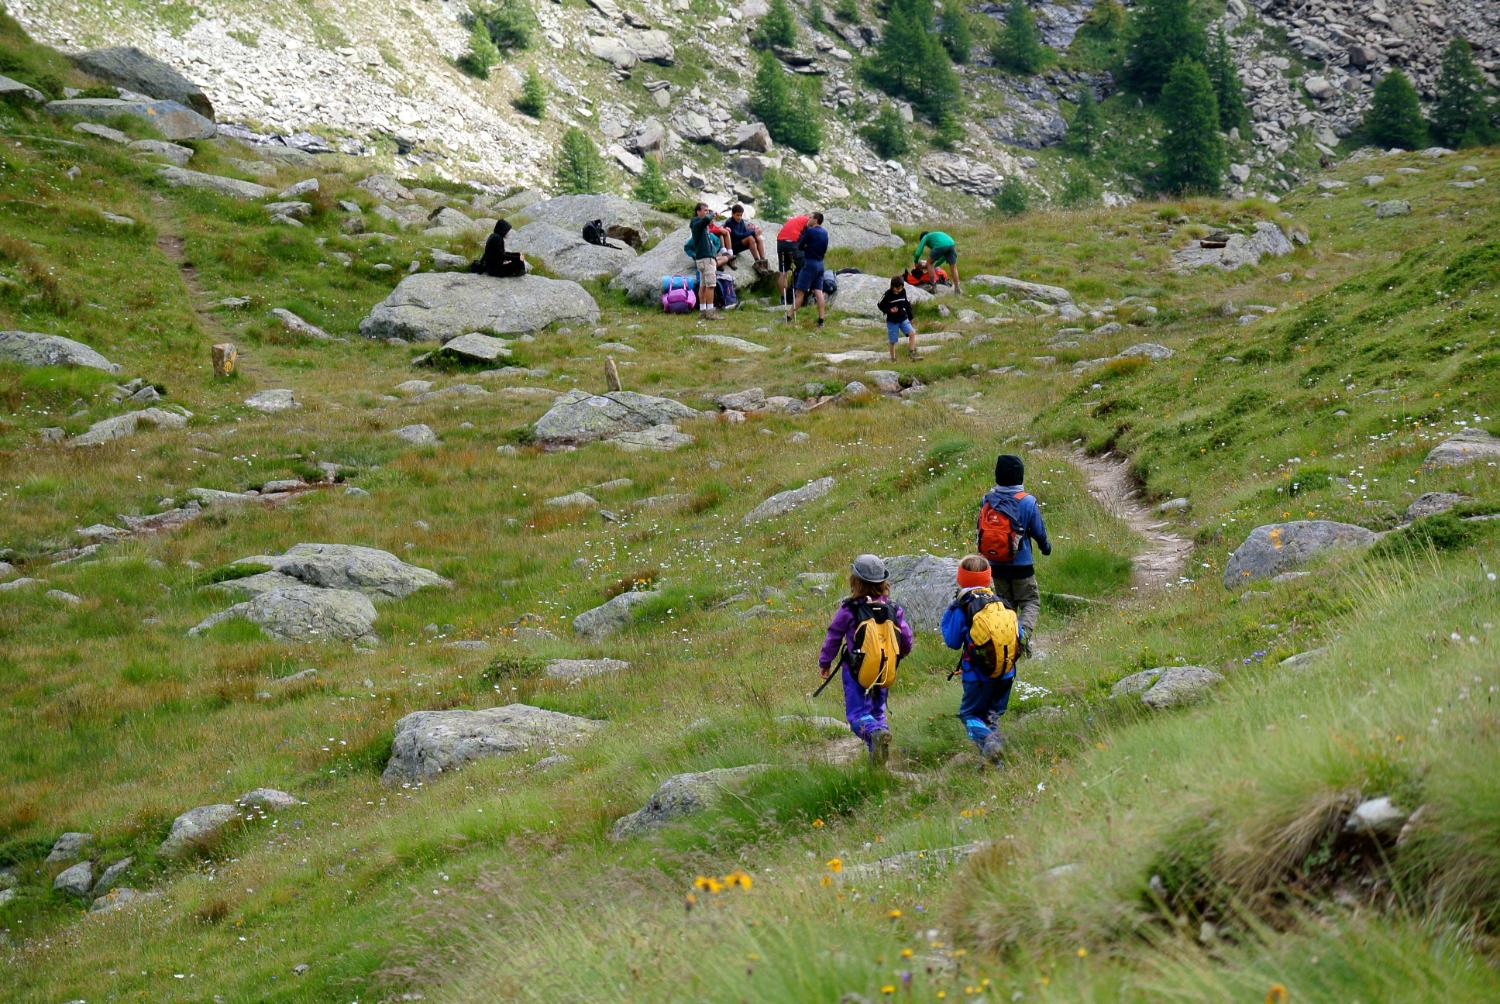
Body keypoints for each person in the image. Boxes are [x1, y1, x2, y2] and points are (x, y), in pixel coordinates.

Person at [818, 554, 914, 767]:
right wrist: (902, 654)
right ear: (883, 582)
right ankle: (877, 755)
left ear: (855, 581)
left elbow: (834, 636)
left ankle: (875, 736)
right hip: (885, 669)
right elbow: (906, 637)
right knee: (877, 712)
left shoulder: (849, 609)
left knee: (857, 716)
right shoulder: (893, 608)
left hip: (856, 673)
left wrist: (825, 662)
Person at [941, 555, 1024, 764]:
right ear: (988, 579)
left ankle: (989, 742)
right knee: (992, 717)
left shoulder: (963, 606)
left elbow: (952, 641)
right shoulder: (1002, 604)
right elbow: (1019, 635)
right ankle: (997, 765)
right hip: (1007, 672)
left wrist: (950, 610)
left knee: (969, 715)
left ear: (961, 579)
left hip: (977, 676)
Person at [976, 454, 1051, 638]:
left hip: (995, 564)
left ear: (997, 475)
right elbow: (1038, 532)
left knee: (1005, 604)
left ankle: (1006, 642)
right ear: (1020, 476)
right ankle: (1022, 636)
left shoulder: (987, 500)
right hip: (1022, 565)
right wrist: (1045, 547)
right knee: (1030, 601)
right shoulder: (1027, 501)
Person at [785, 211, 829, 327]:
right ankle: (821, 320)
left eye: (810, 218)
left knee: (800, 293)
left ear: (816, 220)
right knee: (818, 292)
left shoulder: (810, 231)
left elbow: (800, 245)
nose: (808, 219)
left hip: (809, 264)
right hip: (820, 264)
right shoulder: (825, 232)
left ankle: (788, 317)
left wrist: (806, 246)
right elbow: (824, 249)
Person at [688, 202, 721, 319]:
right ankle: (710, 312)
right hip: (707, 259)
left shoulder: (699, 224)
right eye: (705, 210)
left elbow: (707, 221)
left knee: (703, 285)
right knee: (711, 285)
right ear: (698, 211)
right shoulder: (697, 222)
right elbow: (706, 219)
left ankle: (702, 311)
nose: (707, 212)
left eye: (708, 210)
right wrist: (712, 214)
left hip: (702, 259)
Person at [877, 274, 917, 361]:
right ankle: (893, 359)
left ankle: (912, 355)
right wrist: (889, 310)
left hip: (903, 318)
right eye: (897, 288)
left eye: (901, 288)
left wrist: (911, 317)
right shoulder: (887, 294)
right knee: (893, 341)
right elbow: (880, 305)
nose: (899, 290)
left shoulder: (903, 291)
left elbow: (907, 304)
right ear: (892, 286)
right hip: (892, 321)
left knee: (912, 334)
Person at [775, 212, 810, 306]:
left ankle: (783, 299)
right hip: (793, 244)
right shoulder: (808, 221)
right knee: (803, 269)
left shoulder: (793, 220)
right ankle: (801, 298)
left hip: (781, 243)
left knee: (783, 272)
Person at [725, 204, 771, 273]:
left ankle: (763, 261)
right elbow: (737, 235)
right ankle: (757, 262)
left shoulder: (741, 221)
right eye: (737, 215)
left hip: (740, 243)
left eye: (741, 215)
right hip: (733, 246)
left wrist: (755, 231)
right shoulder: (729, 222)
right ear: (732, 214)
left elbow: (745, 232)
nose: (739, 217)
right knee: (750, 238)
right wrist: (753, 232)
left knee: (758, 238)